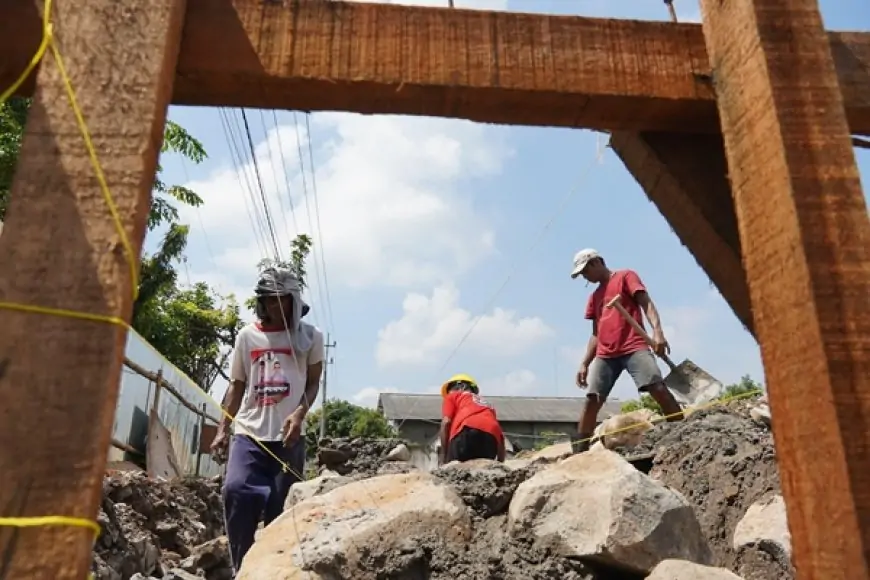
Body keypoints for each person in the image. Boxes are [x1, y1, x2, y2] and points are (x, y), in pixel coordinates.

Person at [210, 267, 325, 573]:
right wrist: (223, 429)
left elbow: (313, 383)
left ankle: (274, 573)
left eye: (280, 300)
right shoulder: (248, 337)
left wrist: (299, 413)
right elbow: (235, 385)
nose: (274, 307)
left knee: (282, 511)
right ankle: (242, 570)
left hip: (288, 440)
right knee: (236, 492)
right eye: (268, 300)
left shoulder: (311, 338)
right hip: (249, 434)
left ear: (293, 300)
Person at [569, 248, 683, 454]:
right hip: (606, 354)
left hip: (634, 346)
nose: (585, 277)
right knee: (592, 399)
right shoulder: (594, 297)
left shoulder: (625, 277)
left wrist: (658, 333)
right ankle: (580, 451)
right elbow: (596, 333)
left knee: (657, 387)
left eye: (585, 272)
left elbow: (646, 304)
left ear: (596, 263)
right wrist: (585, 362)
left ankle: (683, 433)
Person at [439, 374, 506, 464]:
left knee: (454, 468)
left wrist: (443, 456)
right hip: (490, 441)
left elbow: (446, 423)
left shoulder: (454, 396)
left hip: (467, 433)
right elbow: (499, 435)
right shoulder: (487, 405)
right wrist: (500, 463)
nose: (449, 393)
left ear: (462, 386)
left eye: (449, 390)